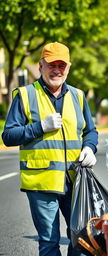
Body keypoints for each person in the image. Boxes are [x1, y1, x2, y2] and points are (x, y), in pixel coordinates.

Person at [2, 42, 98, 256]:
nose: (57, 70)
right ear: (40, 66)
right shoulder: (25, 95)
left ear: (68, 68)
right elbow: (8, 136)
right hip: (41, 181)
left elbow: (90, 131)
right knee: (49, 243)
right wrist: (40, 127)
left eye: (61, 66)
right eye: (51, 65)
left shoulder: (78, 96)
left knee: (81, 240)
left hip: (75, 181)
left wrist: (90, 147)